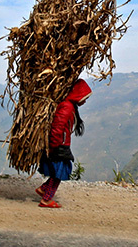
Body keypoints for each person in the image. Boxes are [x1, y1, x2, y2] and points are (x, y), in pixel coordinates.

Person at [36, 78, 92, 208]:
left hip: (61, 144)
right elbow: (57, 127)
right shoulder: (67, 107)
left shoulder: (70, 106)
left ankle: (44, 189)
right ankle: (46, 199)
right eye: (85, 97)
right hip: (59, 145)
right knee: (60, 172)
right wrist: (54, 146)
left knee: (60, 172)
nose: (85, 101)